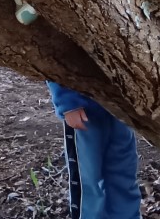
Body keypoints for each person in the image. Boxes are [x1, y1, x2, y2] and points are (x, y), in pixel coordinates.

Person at [47, 82, 140, 219]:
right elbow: (52, 61)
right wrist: (68, 102)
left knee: (124, 176)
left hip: (120, 105)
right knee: (89, 183)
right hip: (83, 109)